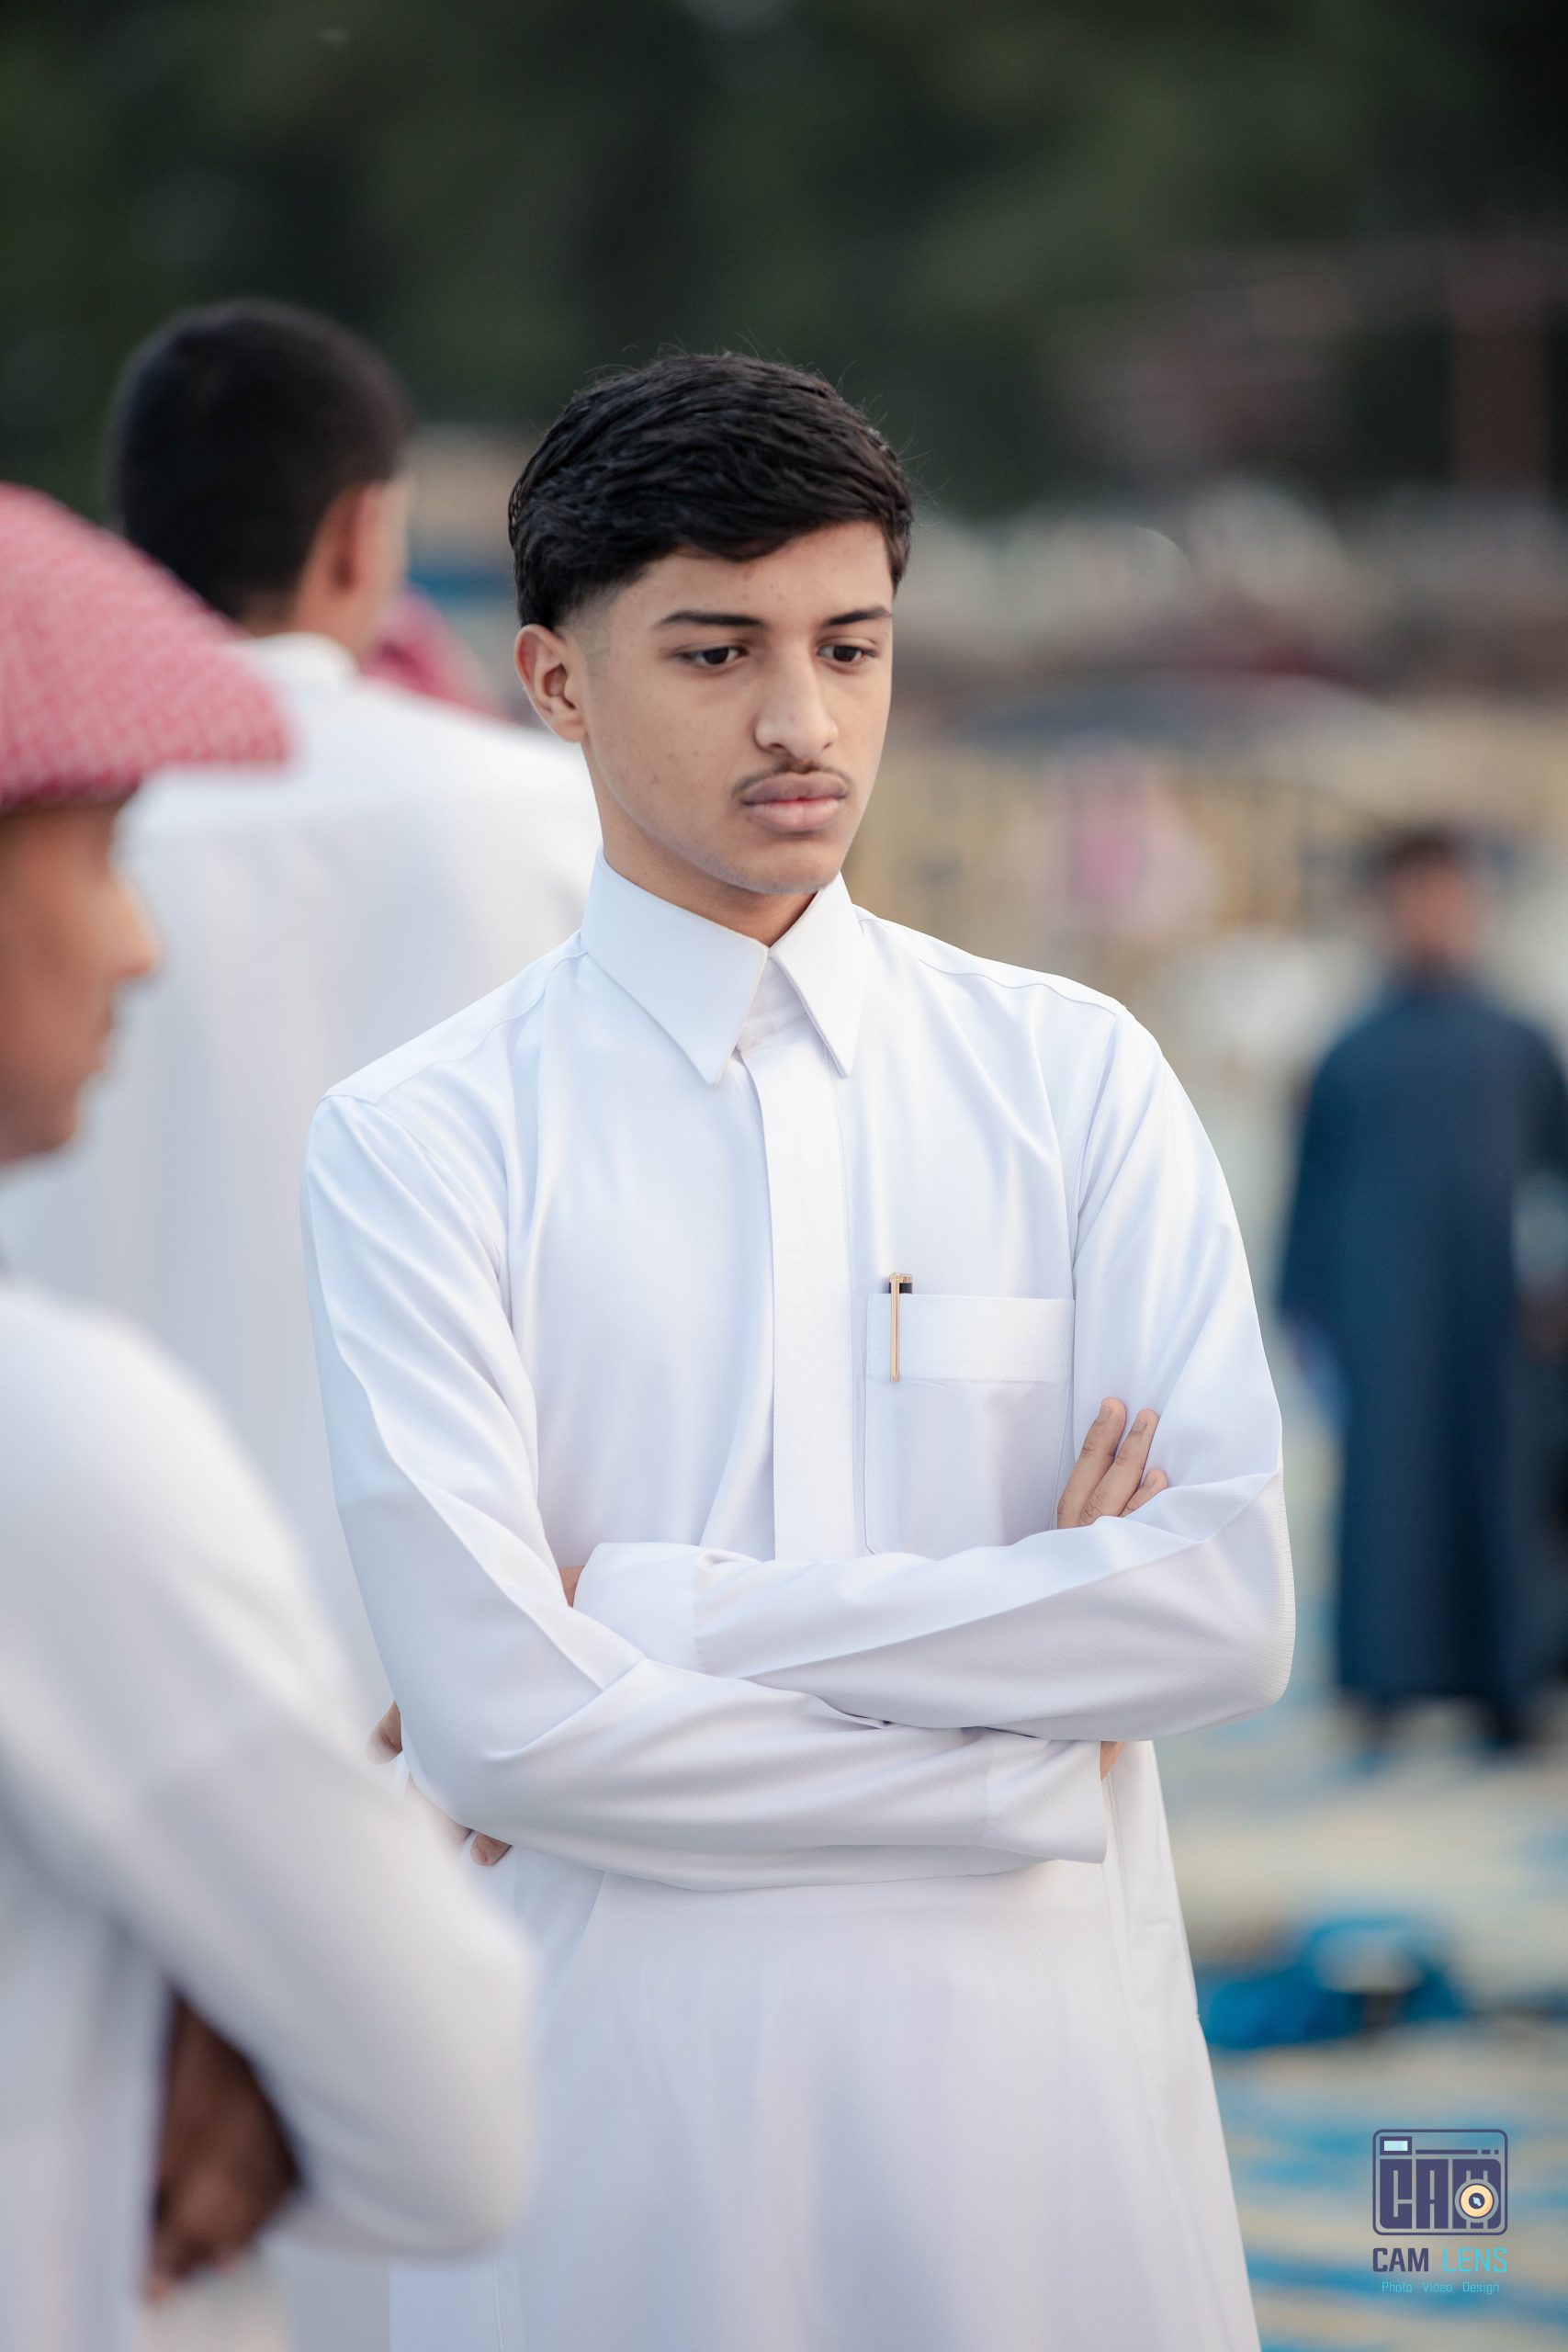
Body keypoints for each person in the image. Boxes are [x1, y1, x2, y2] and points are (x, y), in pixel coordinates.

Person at [302, 354, 1293, 2352]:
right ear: (554, 679)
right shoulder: (424, 1138)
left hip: (1038, 2109)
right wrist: (1024, 1742)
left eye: (849, 646)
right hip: (622, 2122)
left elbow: (1216, 1613)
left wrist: (656, 1610)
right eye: (714, 651)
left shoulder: (1072, 1080)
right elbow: (497, 1729)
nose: (801, 719)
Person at [0, 484, 533, 2352]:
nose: (139, 942)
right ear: (361, 533)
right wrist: (248, 2027)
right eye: (97, 856)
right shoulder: (54, 1440)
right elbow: (463, 2129)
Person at [0, 300, 599, 1709]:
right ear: (359, 533)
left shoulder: (46, 833)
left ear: (129, 539)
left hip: (78, 1664)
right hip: (484, 1667)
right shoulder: (561, 824)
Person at [1281, 825, 1568, 1749]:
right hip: (1384, 1319)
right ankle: (1385, 1680)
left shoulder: (1520, 1044)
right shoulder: (1348, 1052)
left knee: (1506, 1492)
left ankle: (1512, 1681)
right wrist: (1306, 1313)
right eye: (1414, 895)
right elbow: (1311, 1193)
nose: (1433, 914)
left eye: (1449, 893)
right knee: (1390, 1496)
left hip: (1501, 1325)